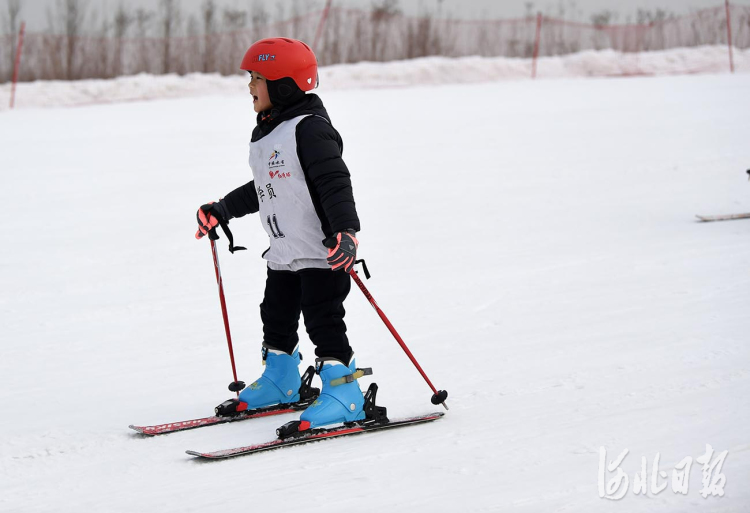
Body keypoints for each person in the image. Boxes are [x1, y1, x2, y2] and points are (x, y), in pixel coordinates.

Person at [195, 38, 365, 430]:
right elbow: (266, 187)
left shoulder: (310, 130)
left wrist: (346, 232)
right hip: (284, 250)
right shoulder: (270, 132)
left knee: (323, 321)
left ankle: (345, 394)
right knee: (275, 315)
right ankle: (282, 379)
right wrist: (222, 210)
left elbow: (334, 183)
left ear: (284, 84)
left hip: (322, 252)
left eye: (257, 78)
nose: (250, 86)